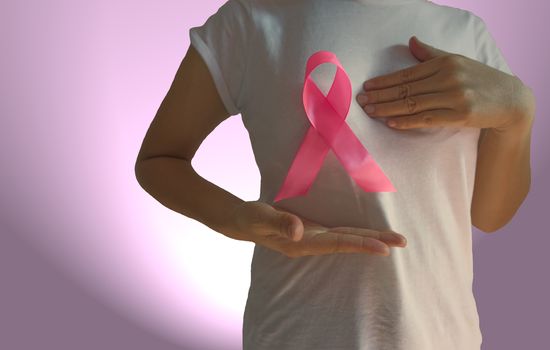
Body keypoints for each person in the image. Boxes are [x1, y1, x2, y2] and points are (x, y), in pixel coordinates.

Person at [135, 0, 535, 349]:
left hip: (443, 336)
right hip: (298, 331)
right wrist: (237, 219)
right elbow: (159, 160)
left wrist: (518, 114)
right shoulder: (249, 22)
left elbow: (489, 215)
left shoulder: (468, 33)